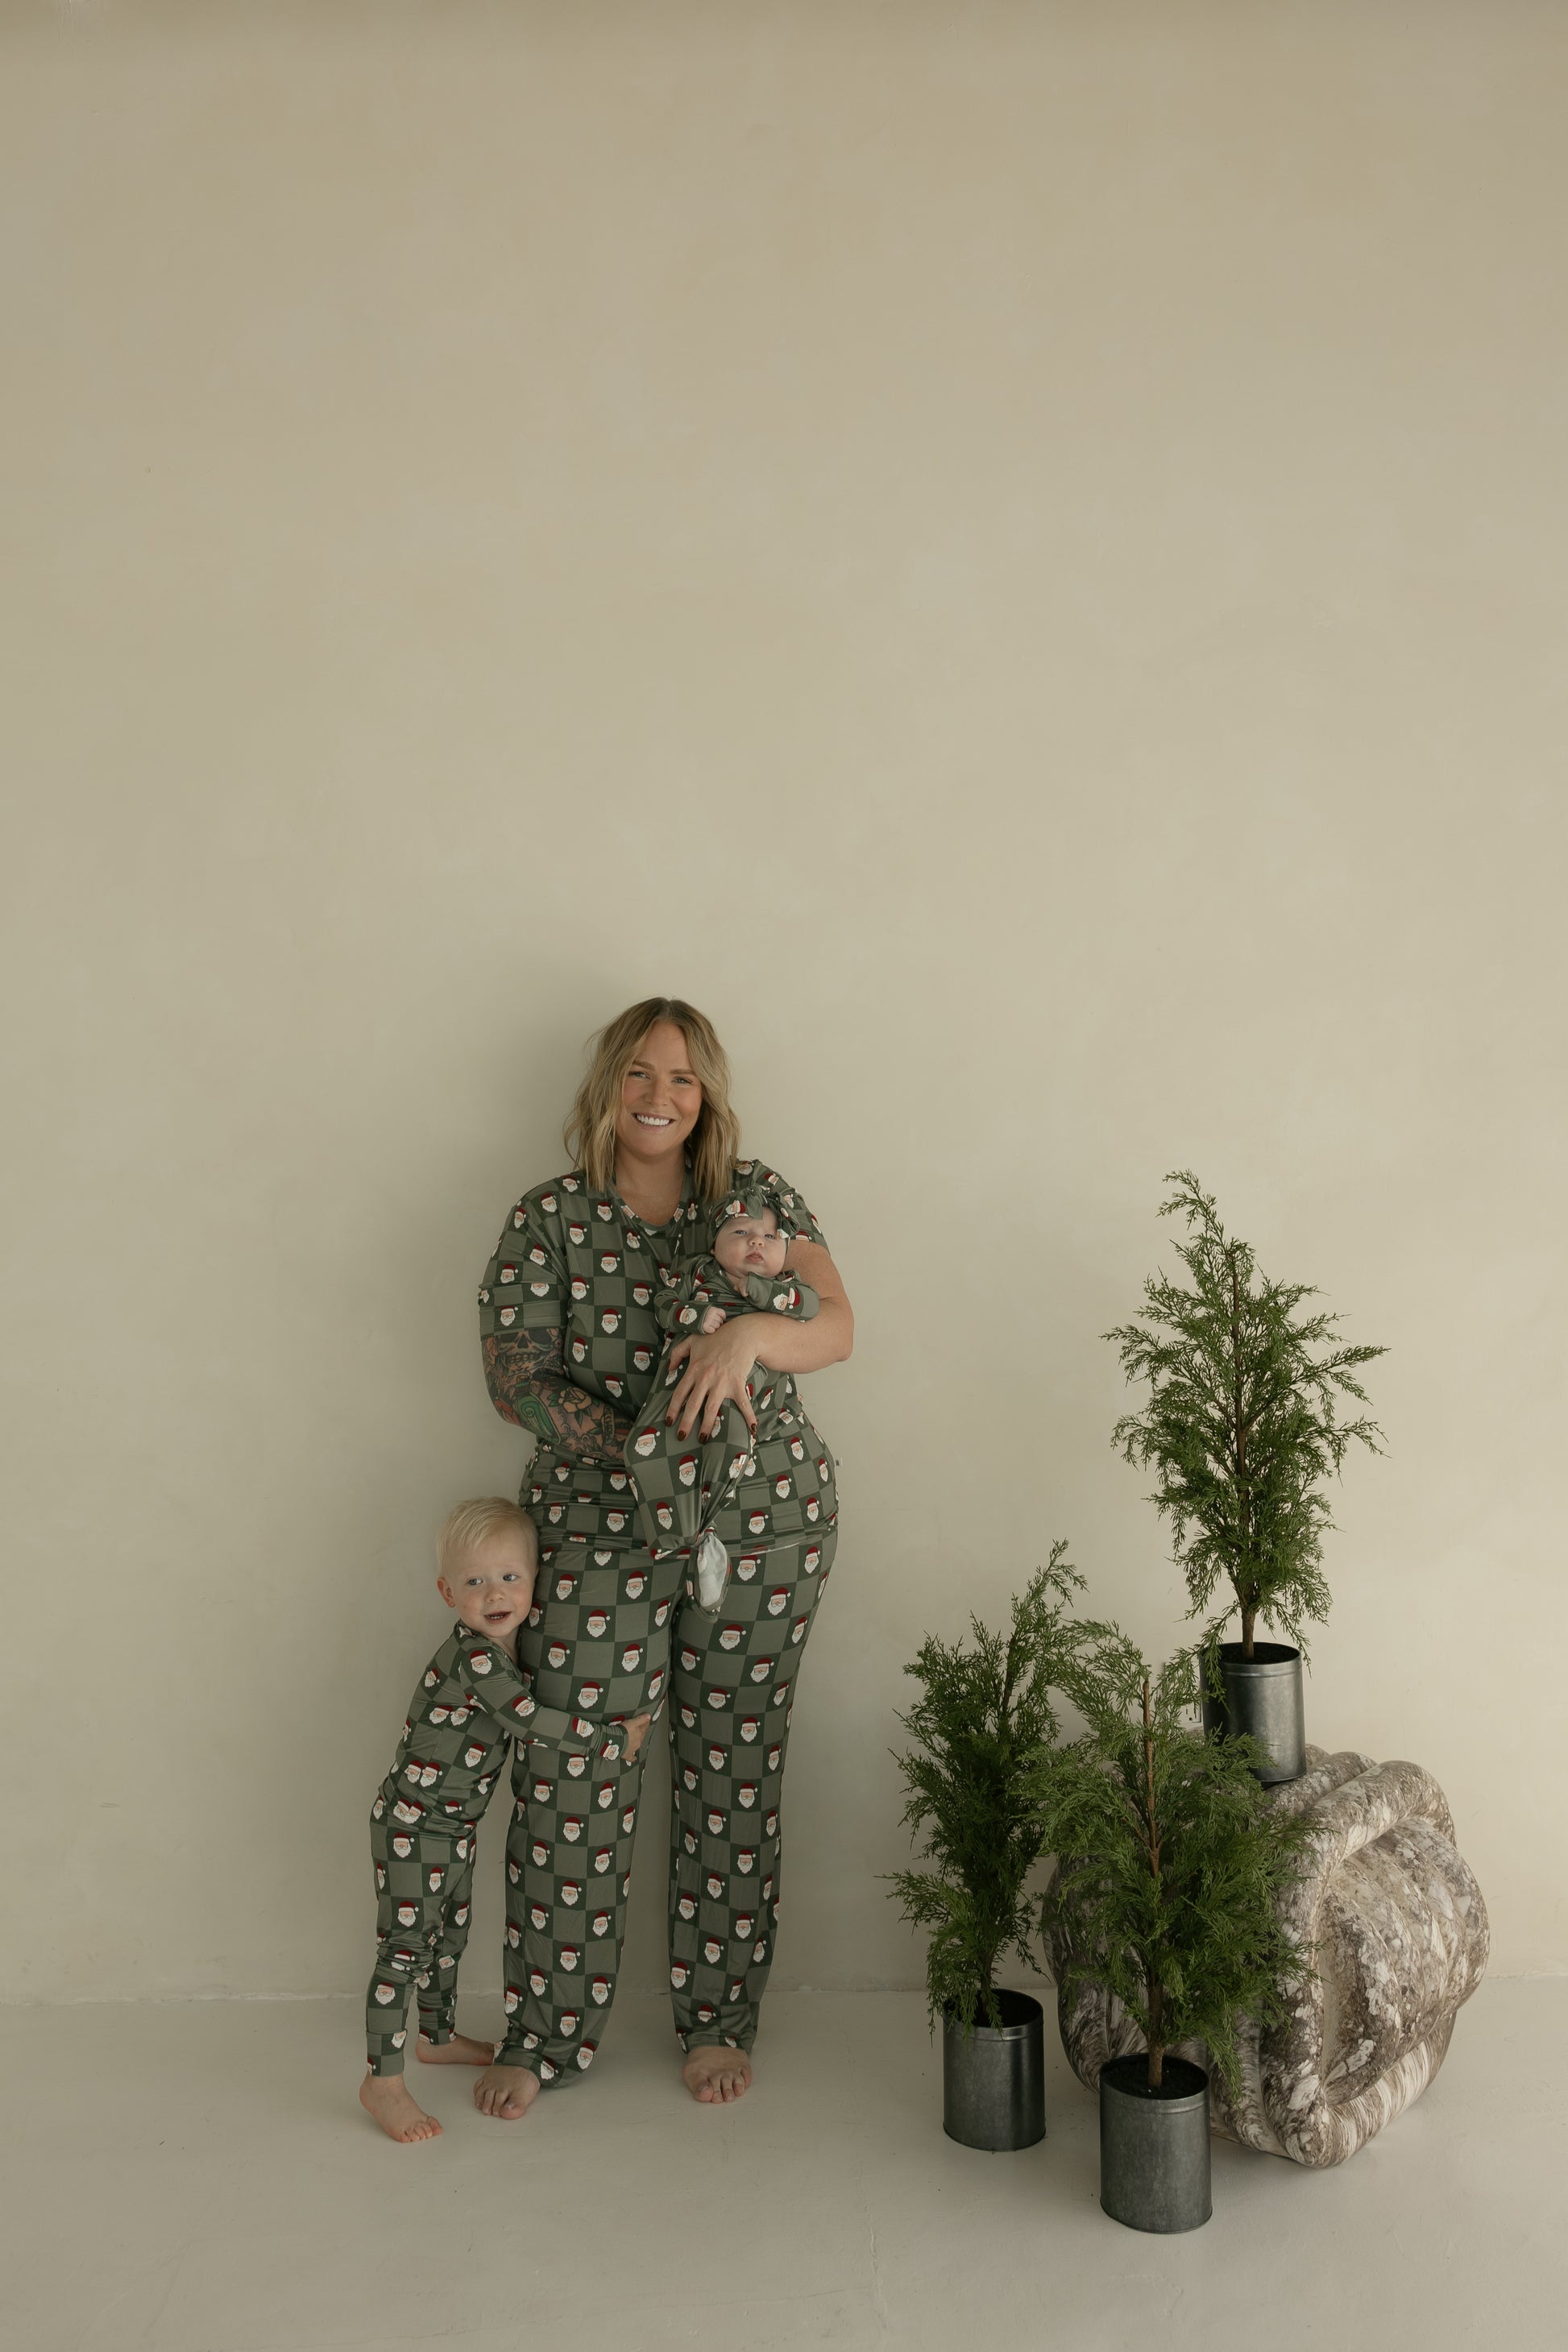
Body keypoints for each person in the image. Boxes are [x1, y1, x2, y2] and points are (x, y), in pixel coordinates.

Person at [475, 997, 852, 2116]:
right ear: (607, 1085)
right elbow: (512, 1375)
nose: (657, 1094)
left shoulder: (754, 1199)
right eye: (638, 1072)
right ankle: (544, 2031)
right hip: (597, 1530)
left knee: (731, 1768)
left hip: (761, 1524)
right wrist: (643, 1446)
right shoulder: (547, 1220)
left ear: (707, 1097)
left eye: (682, 1078)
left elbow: (833, 1322)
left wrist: (744, 1334)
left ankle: (717, 2021)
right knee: (577, 1772)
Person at [358, 1497, 539, 2146]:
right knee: (405, 1950)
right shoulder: (477, 1659)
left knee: (451, 1933)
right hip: (414, 1826)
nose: (494, 1593)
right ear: (447, 1591)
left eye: (510, 1577)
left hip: (452, 1828)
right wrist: (613, 1740)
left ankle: (435, 2036)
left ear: (536, 1578)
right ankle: (382, 2080)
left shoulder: (503, 1649)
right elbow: (529, 1721)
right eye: (474, 1581)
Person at [624, 1190, 820, 1607]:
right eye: (741, 1232)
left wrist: (762, 1295)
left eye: (769, 1236)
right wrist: (694, 1316)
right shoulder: (698, 1272)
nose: (756, 1242)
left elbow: (811, 1307)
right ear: (714, 1242)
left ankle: (704, 1539)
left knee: (729, 1443)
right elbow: (664, 1305)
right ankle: (676, 1539)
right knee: (643, 1450)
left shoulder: (782, 1285)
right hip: (679, 1384)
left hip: (743, 1395)